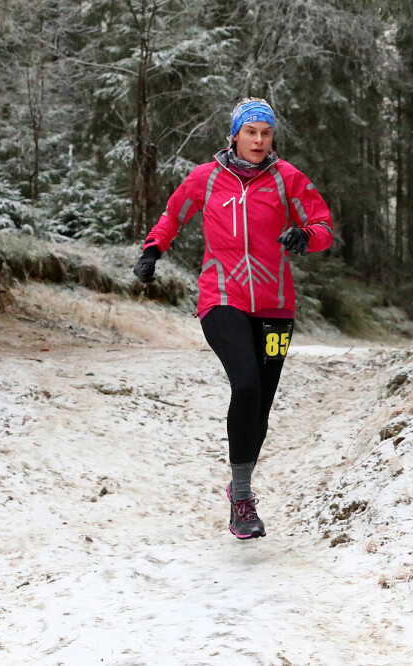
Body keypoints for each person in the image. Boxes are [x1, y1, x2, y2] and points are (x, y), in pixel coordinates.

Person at [132, 98, 333, 540]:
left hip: (276, 307)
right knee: (245, 383)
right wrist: (152, 251)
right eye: (251, 132)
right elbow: (173, 214)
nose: (259, 140)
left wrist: (305, 237)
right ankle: (242, 498)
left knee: (259, 404)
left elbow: (322, 226)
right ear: (235, 136)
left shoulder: (289, 179)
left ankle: (239, 484)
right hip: (221, 297)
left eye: (265, 133)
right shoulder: (206, 178)